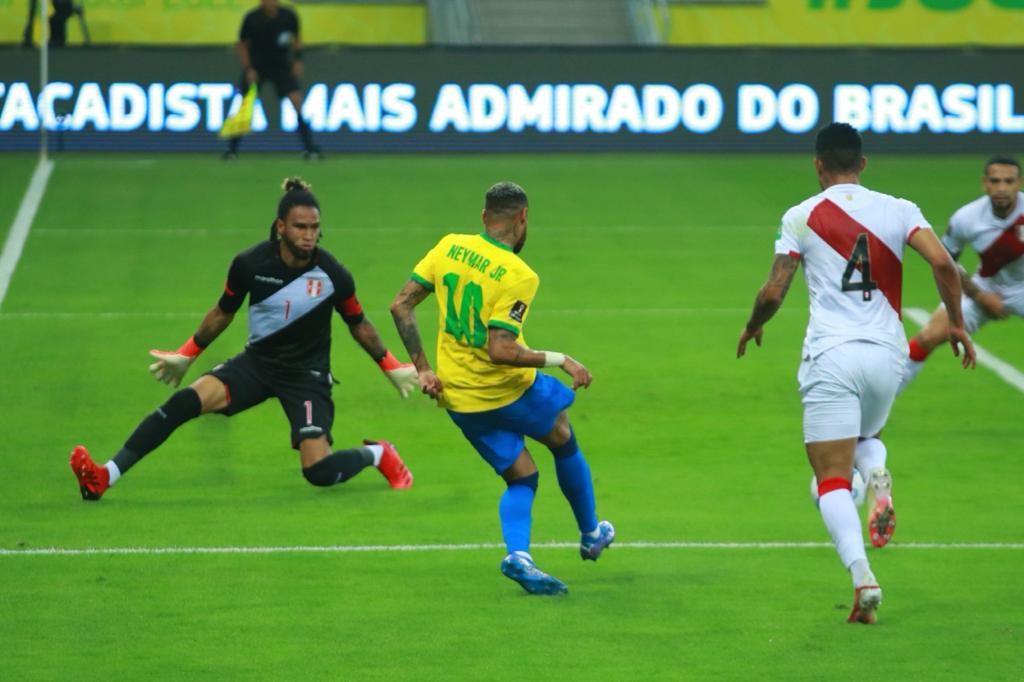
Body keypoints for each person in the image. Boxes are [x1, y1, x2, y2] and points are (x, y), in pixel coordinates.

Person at [736, 123, 976, 624]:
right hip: (888, 356)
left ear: (817, 165)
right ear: (863, 164)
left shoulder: (802, 216)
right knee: (867, 435)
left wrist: (754, 325)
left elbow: (774, 290)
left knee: (829, 478)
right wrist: (955, 321)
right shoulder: (900, 209)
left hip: (832, 356)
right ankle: (878, 475)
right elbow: (945, 266)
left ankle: (862, 576)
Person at [70, 178, 416, 500]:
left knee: (318, 472)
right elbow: (223, 312)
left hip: (305, 376)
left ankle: (379, 453)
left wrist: (390, 365)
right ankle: (105, 476)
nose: (309, 235)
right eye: (300, 227)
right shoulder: (251, 264)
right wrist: (187, 354)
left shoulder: (332, 274)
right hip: (258, 364)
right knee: (183, 403)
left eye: (314, 228)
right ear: (281, 227)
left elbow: (359, 323)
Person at [388, 181, 615, 595]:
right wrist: (561, 359)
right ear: (523, 218)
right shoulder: (519, 274)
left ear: (483, 218)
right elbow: (501, 349)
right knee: (562, 436)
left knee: (521, 477)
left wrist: (422, 369)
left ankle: (519, 556)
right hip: (510, 391)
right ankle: (590, 533)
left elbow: (400, 304)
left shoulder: (448, 247)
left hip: (458, 398)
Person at [900, 156, 1024, 392]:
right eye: (995, 181)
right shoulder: (966, 218)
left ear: (1019, 183)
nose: (1001, 189)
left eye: (1009, 182)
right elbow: (946, 264)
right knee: (927, 338)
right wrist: (980, 296)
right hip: (986, 286)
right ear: (984, 183)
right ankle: (873, 420)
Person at [223, 0, 320, 160]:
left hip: (280, 66)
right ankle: (232, 150)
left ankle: (310, 149)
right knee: (244, 105)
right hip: (257, 66)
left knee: (296, 101)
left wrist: (298, 60)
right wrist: (248, 68)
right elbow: (242, 45)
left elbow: (296, 40)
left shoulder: (289, 16)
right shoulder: (252, 18)